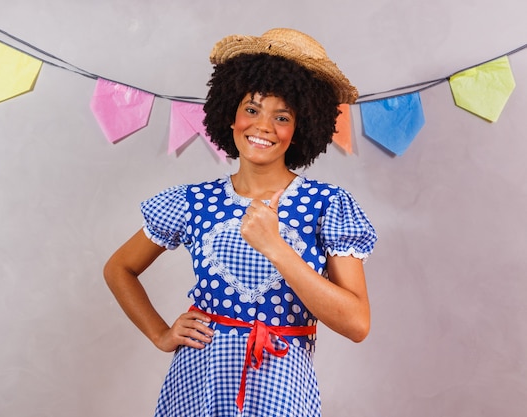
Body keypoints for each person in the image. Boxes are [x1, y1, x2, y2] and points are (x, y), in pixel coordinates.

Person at [104, 28, 378, 417]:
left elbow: (356, 324)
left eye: (281, 116)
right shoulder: (193, 201)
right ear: (229, 114)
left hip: (283, 389)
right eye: (251, 109)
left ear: (301, 129)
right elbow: (119, 268)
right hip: (197, 384)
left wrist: (276, 248)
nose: (262, 126)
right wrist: (160, 332)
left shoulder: (327, 205)